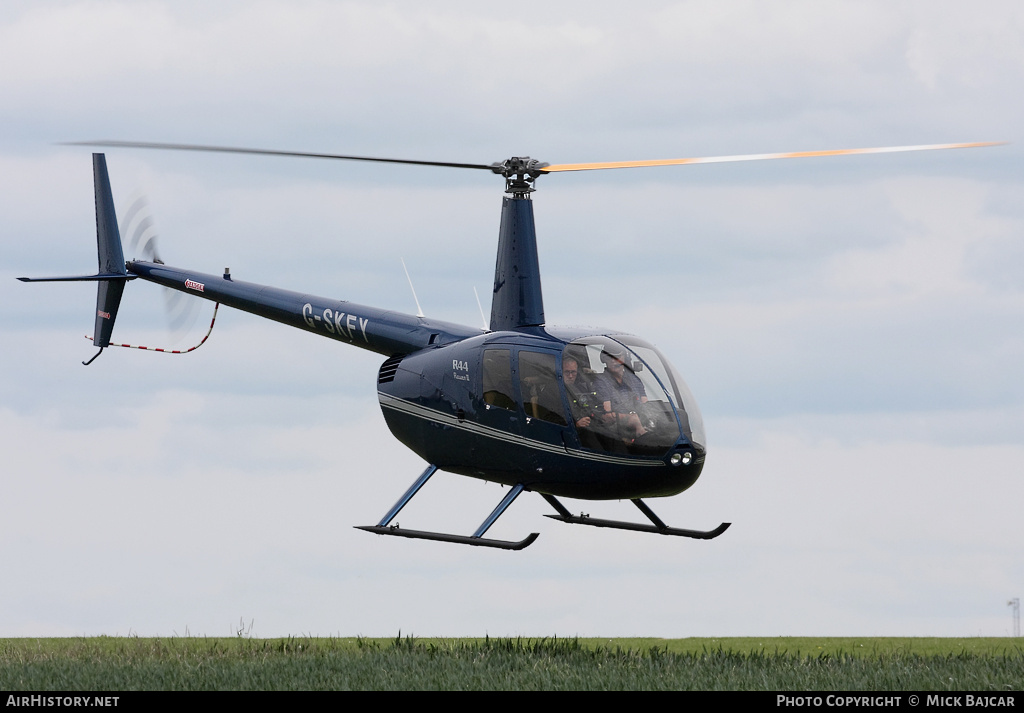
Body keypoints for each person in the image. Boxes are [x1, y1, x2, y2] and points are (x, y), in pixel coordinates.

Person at [594, 347, 648, 441]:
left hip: (641, 423)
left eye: (617, 357)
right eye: (610, 358)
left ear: (625, 358)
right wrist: (631, 419)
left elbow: (646, 405)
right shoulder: (601, 381)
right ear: (604, 360)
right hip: (617, 430)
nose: (614, 362)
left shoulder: (634, 379)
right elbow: (607, 416)